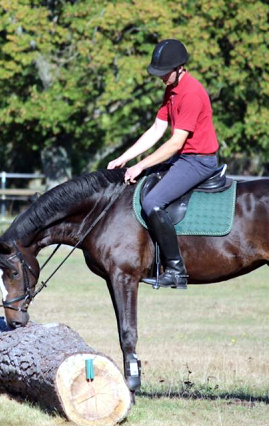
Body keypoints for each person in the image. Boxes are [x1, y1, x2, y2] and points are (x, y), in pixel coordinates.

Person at [107, 39, 219, 290]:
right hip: (184, 158)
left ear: (180, 68)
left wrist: (140, 165)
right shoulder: (171, 89)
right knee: (139, 187)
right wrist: (125, 158)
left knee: (152, 202)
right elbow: (157, 129)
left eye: (163, 72)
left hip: (198, 161)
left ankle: (176, 270)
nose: (160, 77)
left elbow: (175, 143)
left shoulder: (190, 93)